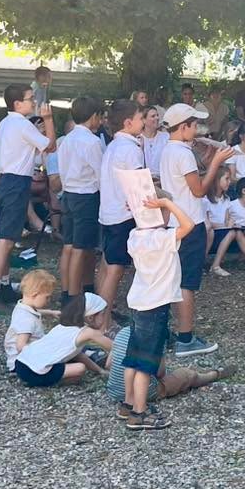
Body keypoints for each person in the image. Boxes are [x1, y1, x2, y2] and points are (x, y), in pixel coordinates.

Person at [158, 101, 234, 355]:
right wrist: (216, 163)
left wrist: (206, 160)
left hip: (175, 222)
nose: (199, 129)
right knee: (187, 283)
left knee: (174, 279)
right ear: (184, 127)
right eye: (194, 125)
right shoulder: (182, 153)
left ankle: (169, 332)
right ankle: (186, 338)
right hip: (190, 222)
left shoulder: (170, 149)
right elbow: (199, 190)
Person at [121, 191, 195, 429]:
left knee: (132, 358)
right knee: (146, 363)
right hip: (155, 306)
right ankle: (139, 414)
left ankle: (128, 403)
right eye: (165, 211)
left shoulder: (134, 235)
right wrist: (167, 203)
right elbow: (189, 224)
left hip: (138, 302)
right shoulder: (163, 238)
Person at [0, 84, 56, 314]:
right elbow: (50, 146)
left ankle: (2, 286)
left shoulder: (4, 123)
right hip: (16, 183)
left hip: (5, 181)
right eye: (29, 98)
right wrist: (49, 119)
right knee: (5, 239)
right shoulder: (22, 124)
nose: (33, 101)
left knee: (9, 237)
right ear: (17, 104)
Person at [106, 322, 227, 423]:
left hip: (115, 390)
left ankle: (127, 406)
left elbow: (108, 364)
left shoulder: (121, 333)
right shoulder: (155, 335)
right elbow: (160, 373)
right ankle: (213, 375)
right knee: (186, 375)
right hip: (146, 390)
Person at [96, 98, 146, 321]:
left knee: (107, 264)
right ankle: (102, 320)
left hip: (108, 211)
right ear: (128, 122)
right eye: (140, 118)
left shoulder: (113, 145)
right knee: (115, 269)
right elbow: (137, 184)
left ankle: (96, 312)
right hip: (122, 214)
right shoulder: (130, 148)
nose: (143, 122)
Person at [56, 95, 106, 306]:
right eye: (100, 117)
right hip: (86, 196)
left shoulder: (66, 139)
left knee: (69, 245)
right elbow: (100, 173)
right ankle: (75, 297)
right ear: (93, 117)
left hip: (68, 194)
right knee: (81, 247)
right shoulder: (92, 142)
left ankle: (67, 289)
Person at [13, 291, 112, 389]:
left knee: (73, 362)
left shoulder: (62, 326)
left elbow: (77, 354)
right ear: (90, 317)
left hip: (21, 363)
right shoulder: (88, 332)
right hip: (34, 371)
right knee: (79, 369)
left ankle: (42, 379)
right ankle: (44, 383)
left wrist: (99, 370)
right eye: (102, 315)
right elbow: (115, 347)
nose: (104, 318)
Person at [4, 268, 57, 372]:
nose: (49, 300)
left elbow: (34, 311)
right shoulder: (26, 320)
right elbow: (21, 346)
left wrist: (50, 312)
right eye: (47, 297)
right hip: (23, 362)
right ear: (35, 294)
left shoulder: (21, 306)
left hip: (20, 358)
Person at [141, 105, 167, 180]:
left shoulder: (166, 137)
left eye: (157, 115)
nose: (157, 118)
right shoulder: (138, 139)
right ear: (144, 120)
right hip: (145, 181)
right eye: (153, 116)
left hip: (162, 180)